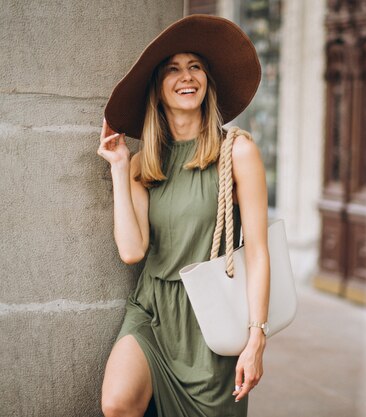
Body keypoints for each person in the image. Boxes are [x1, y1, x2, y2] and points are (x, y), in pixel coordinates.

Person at [96, 15, 269, 417]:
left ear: (206, 81)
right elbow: (132, 251)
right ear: (157, 88)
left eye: (195, 66)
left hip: (211, 320)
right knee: (117, 403)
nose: (185, 76)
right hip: (153, 310)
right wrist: (119, 167)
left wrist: (256, 337)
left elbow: (258, 252)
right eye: (172, 68)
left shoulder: (238, 152)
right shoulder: (144, 166)